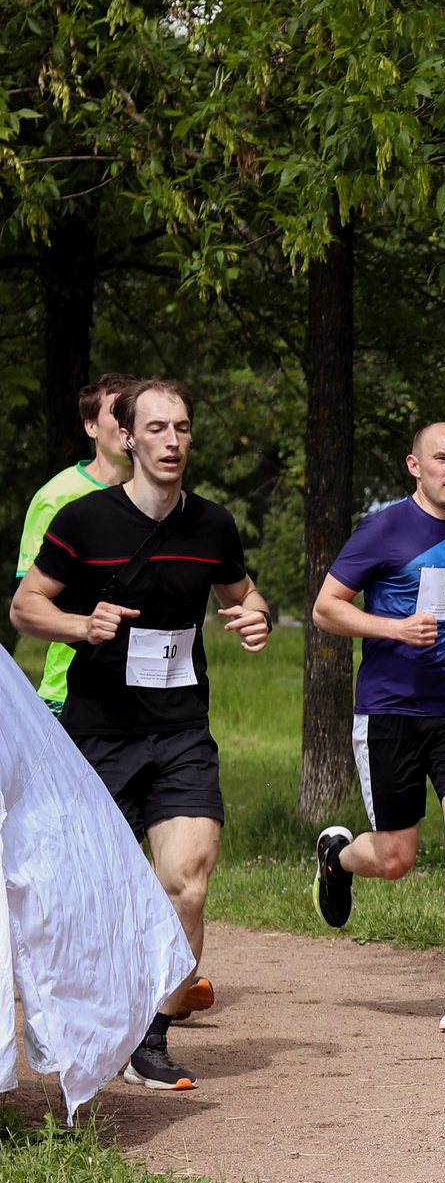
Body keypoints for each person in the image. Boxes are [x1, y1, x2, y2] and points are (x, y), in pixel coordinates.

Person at [9, 378, 273, 1090]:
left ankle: (150, 1038)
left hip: (182, 728)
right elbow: (26, 606)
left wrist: (256, 614)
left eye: (182, 427)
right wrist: (78, 624)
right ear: (128, 437)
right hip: (99, 733)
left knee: (186, 879)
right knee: (85, 896)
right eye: (156, 428)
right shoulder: (84, 521)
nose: (172, 440)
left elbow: (241, 592)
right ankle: (78, 1019)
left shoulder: (212, 525)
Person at [306, 423, 445, 1031]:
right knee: (397, 857)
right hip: (390, 709)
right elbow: (327, 608)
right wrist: (393, 629)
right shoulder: (382, 529)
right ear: (415, 465)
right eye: (442, 459)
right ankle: (337, 858)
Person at [16, 374, 138, 715]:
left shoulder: (164, 498)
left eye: (134, 410)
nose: (127, 422)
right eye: (117, 412)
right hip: (70, 691)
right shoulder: (56, 498)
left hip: (153, 698)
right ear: (91, 427)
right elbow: (31, 603)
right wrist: (86, 628)